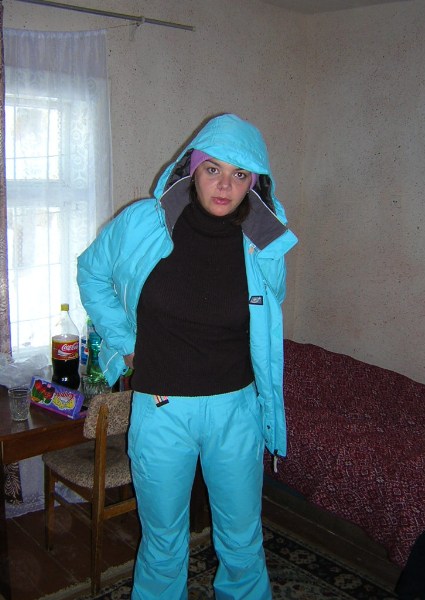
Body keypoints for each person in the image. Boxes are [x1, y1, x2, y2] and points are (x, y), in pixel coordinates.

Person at [77, 113, 298, 600]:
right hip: (161, 409)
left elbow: (269, 310)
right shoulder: (143, 223)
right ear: (191, 168)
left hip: (236, 409)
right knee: (162, 543)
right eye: (213, 169)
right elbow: (91, 272)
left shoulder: (264, 241)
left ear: (255, 183)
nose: (225, 185)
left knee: (242, 543)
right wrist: (124, 342)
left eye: (240, 174)